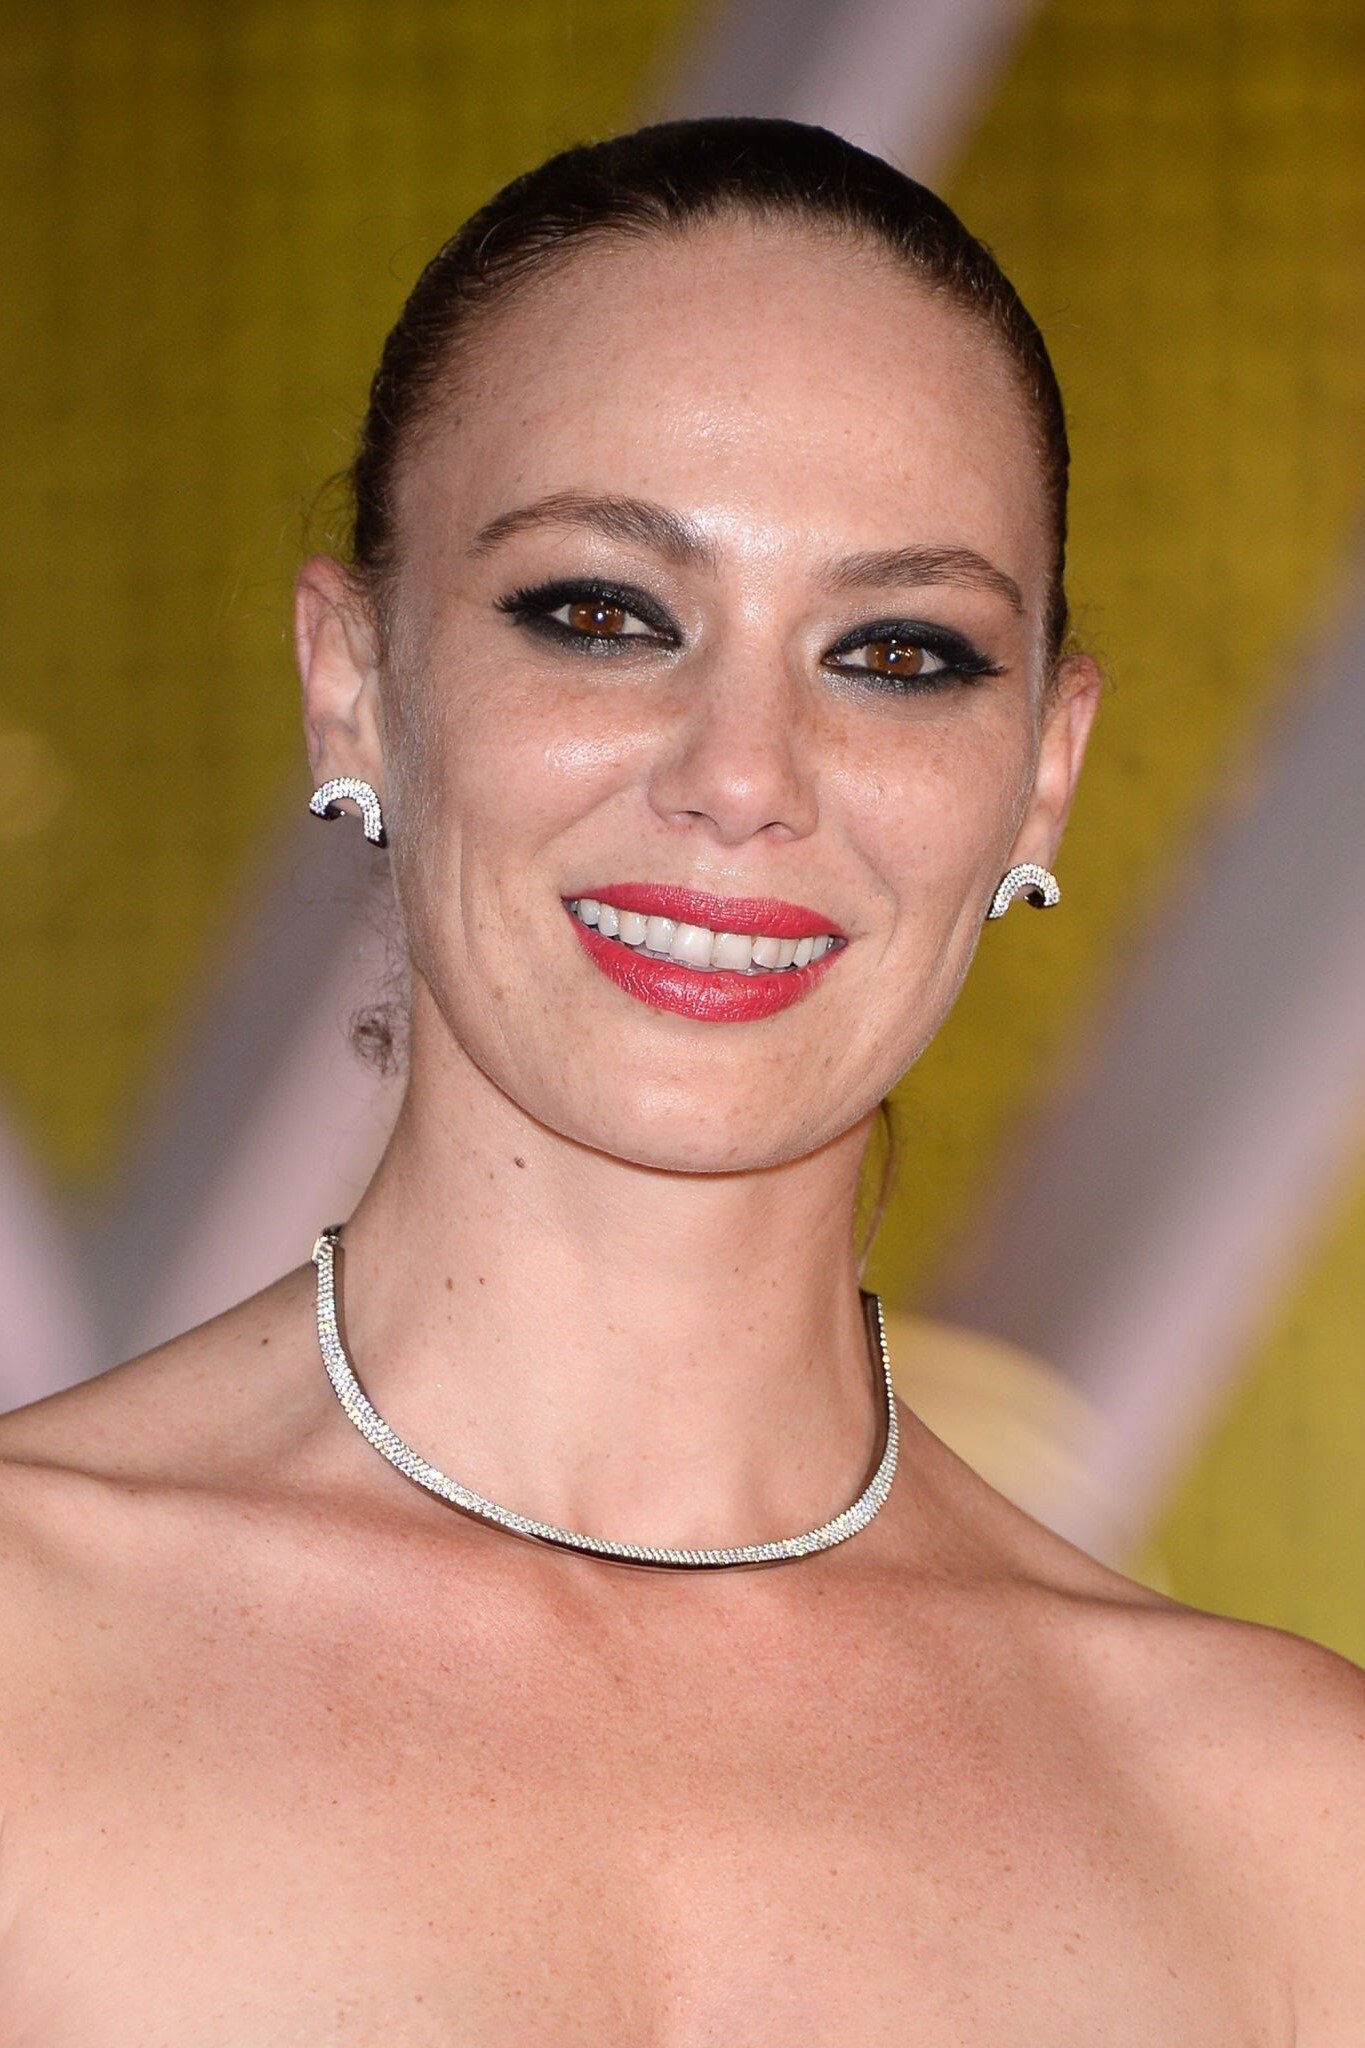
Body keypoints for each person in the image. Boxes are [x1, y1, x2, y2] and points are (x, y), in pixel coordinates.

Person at [0, 117, 1360, 2043]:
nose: (741, 775)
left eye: (897, 652)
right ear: (352, 681)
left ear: (1044, 772)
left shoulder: (1287, 1832)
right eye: (601, 614)